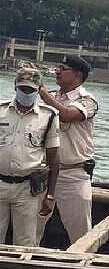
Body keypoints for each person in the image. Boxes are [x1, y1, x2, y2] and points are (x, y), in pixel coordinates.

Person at [38, 55, 97, 244]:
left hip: (73, 173)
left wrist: (43, 94)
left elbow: (67, 115)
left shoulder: (88, 100)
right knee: (32, 227)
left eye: (63, 69)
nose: (58, 72)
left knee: (81, 235)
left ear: (78, 75)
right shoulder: (52, 97)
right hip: (43, 173)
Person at [0, 68, 59, 246]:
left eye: (31, 90)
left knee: (25, 242)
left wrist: (50, 195)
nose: (26, 93)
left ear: (39, 89)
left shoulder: (48, 116)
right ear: (15, 87)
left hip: (28, 188)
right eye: (22, 89)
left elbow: (53, 159)